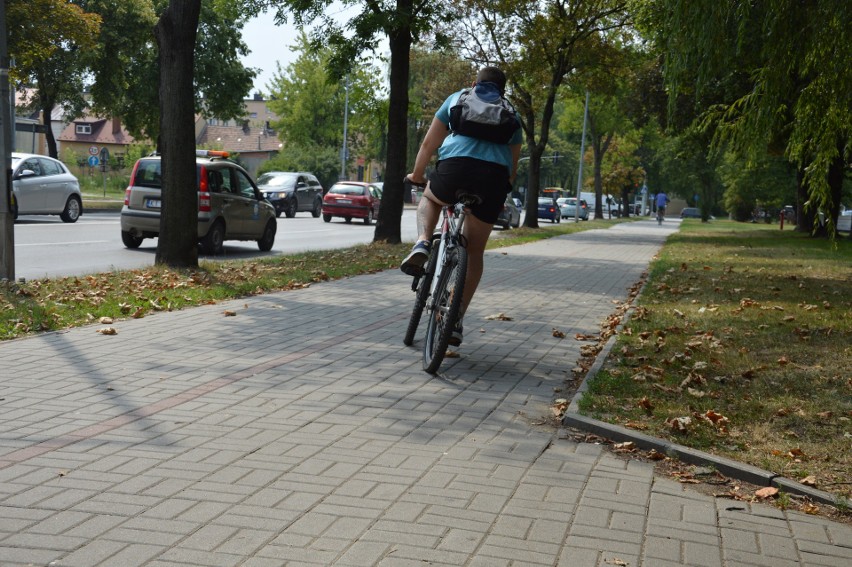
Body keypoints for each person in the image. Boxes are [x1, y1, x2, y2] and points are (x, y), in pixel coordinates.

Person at [400, 66, 523, 347]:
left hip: (455, 169)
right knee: (475, 251)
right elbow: (512, 167)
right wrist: (499, 191)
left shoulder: (458, 98)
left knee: (430, 199)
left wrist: (417, 176)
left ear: (474, 83)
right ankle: (454, 319)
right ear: (503, 90)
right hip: (492, 180)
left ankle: (422, 242)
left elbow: (429, 143)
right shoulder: (511, 113)